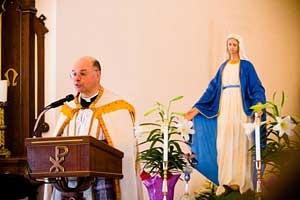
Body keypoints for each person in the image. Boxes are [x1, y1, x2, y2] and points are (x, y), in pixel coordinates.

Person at [44, 56, 142, 200]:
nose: (76, 78)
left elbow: (124, 151)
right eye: (74, 74)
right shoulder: (68, 108)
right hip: (68, 185)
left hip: (102, 182)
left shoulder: (117, 108)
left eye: (82, 73)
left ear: (97, 75)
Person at [185, 34, 266, 196]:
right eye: (229, 44)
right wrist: (196, 108)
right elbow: (212, 89)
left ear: (239, 46)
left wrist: (258, 104)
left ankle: (241, 182)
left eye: (234, 45)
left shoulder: (247, 66)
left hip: (240, 106)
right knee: (224, 141)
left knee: (240, 141)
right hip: (225, 106)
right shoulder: (223, 67)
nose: (231, 48)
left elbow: (256, 87)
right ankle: (226, 180)